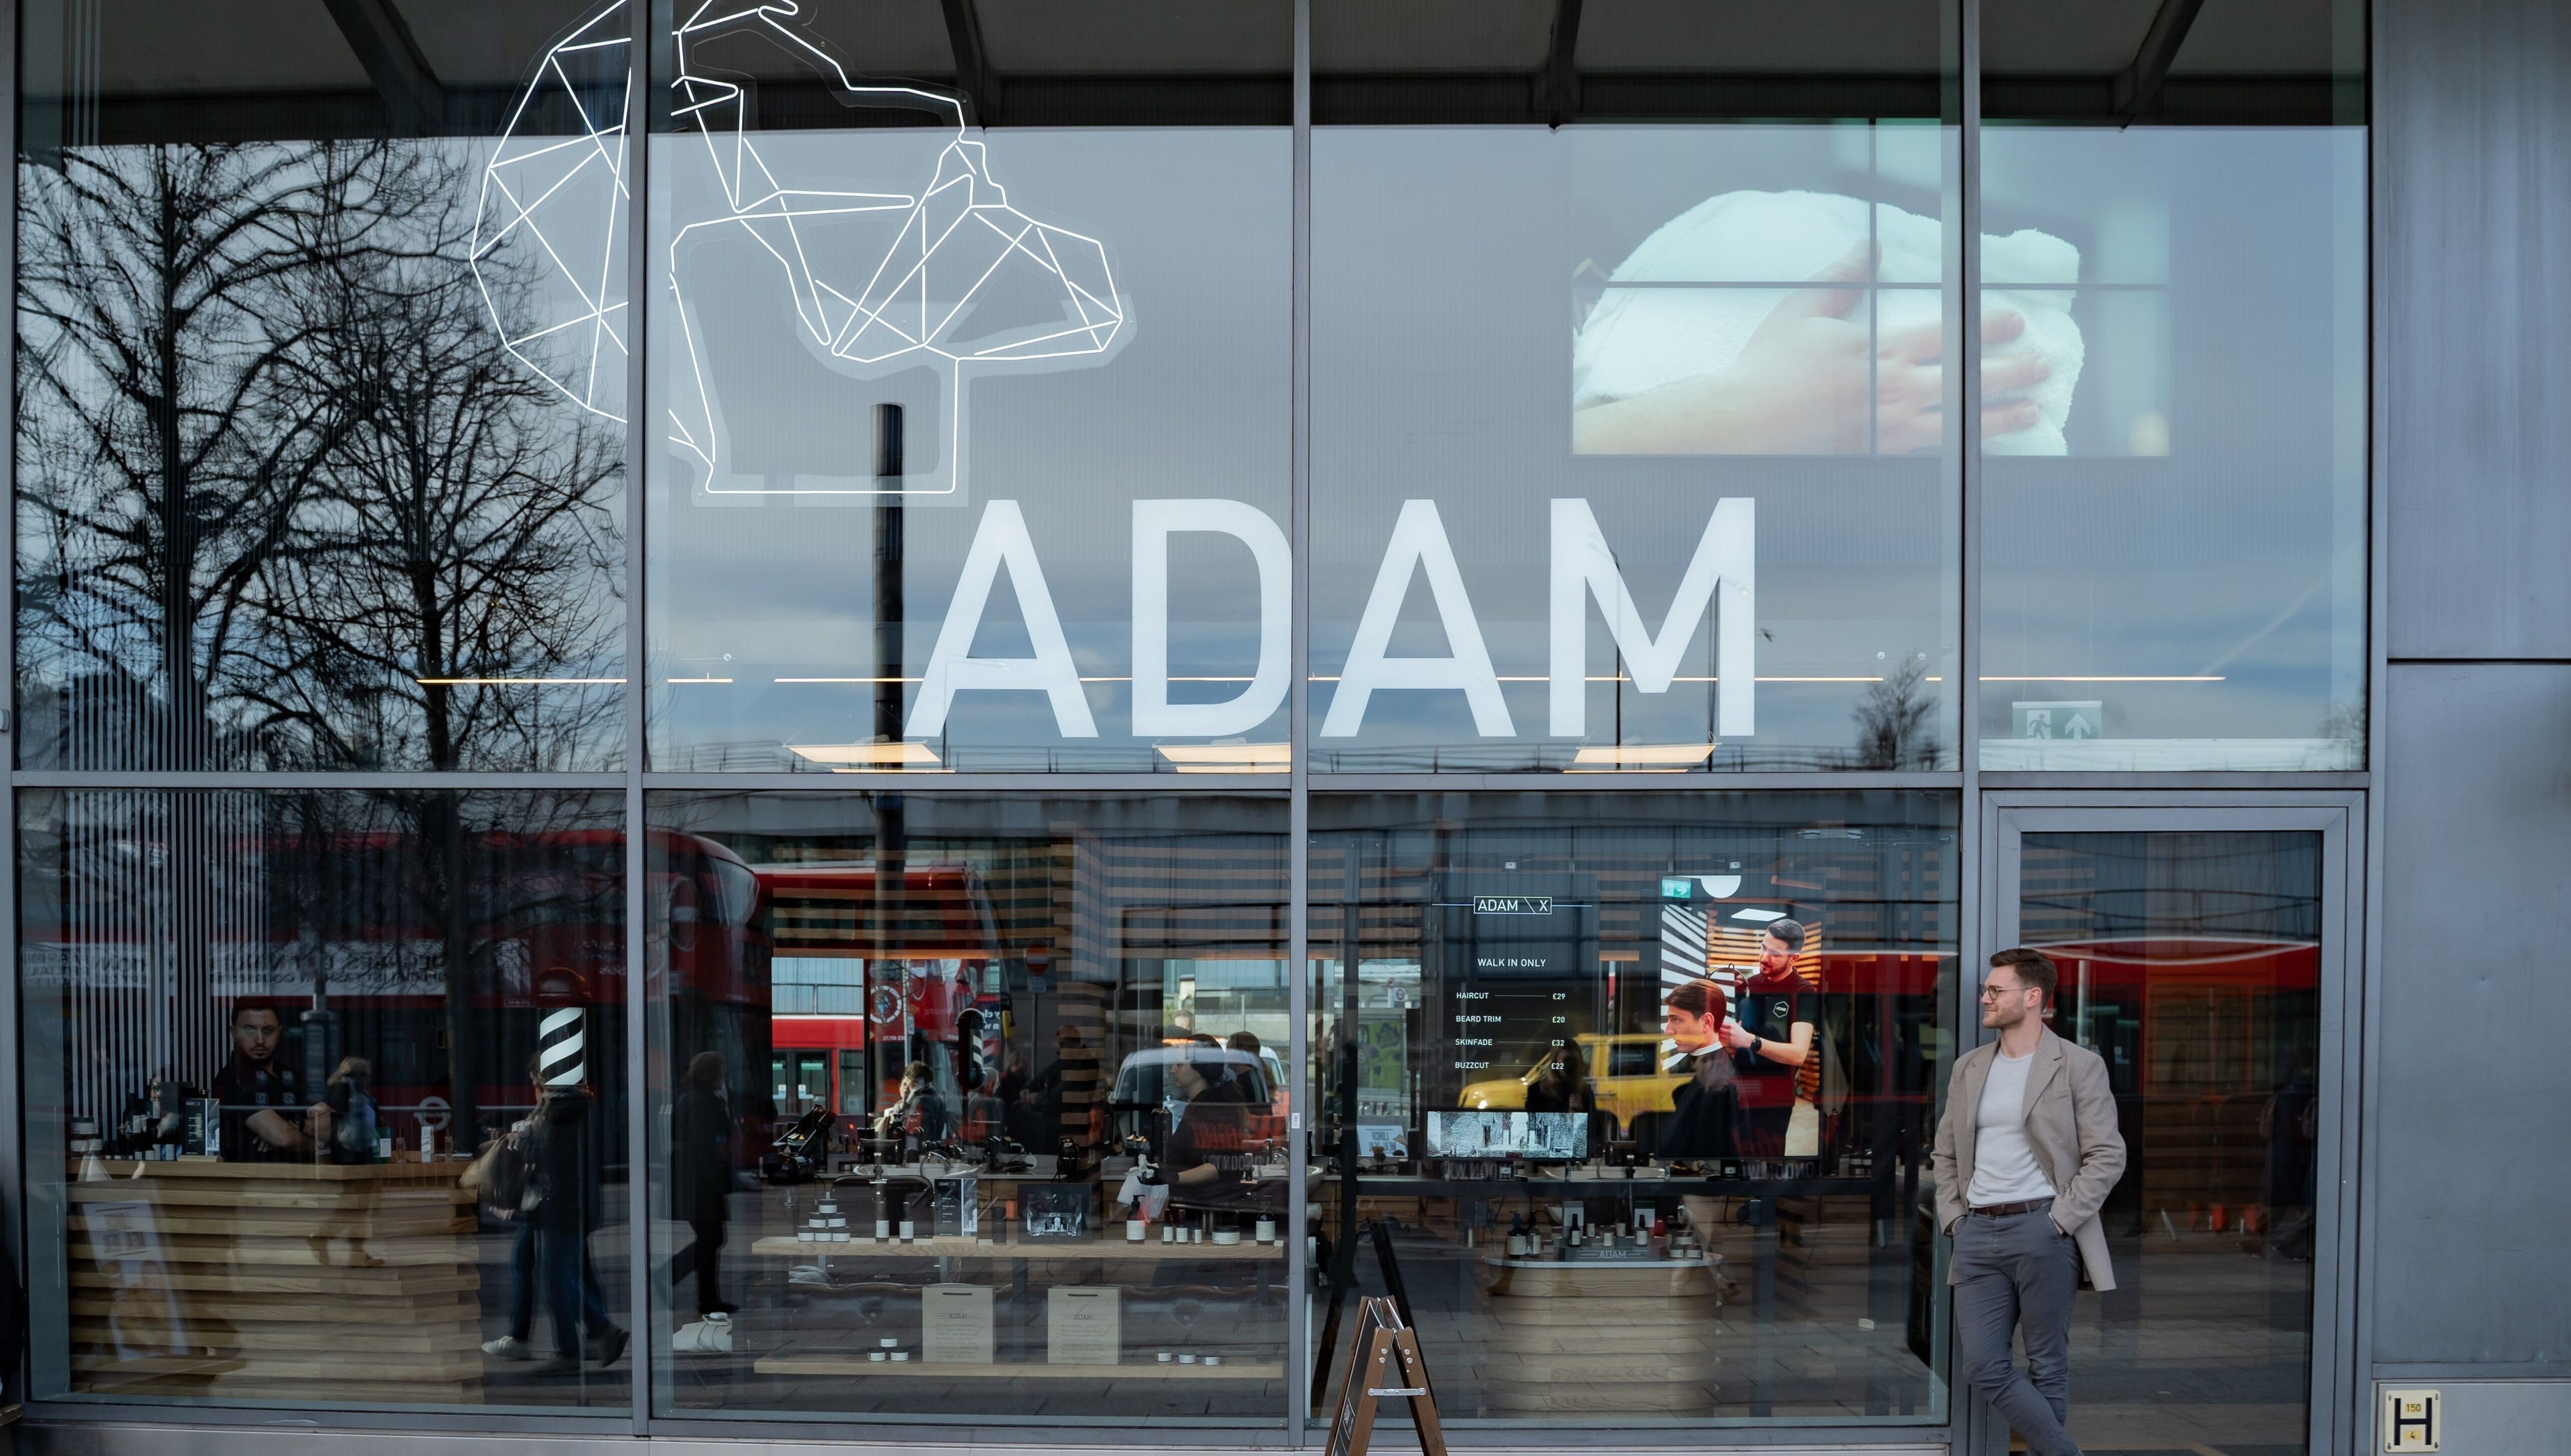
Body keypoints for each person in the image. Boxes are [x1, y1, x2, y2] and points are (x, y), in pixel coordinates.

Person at [1932, 948, 2128, 1456]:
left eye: (1995, 990)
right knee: (1982, 1364)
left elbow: (2107, 1155)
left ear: (2033, 997)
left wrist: (2060, 1220)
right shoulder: (1970, 1067)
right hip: (1976, 1233)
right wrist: (1955, 1218)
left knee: (2047, 1362)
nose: (1985, 997)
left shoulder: (2078, 1065)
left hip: (2042, 1227)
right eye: (1986, 989)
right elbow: (1945, 1150)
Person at [512, 1056, 629, 1375]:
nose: (534, 1083)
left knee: (555, 1279)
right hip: (573, 1205)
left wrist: (520, 1142)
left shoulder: (560, 1109)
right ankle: (594, 1333)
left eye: (536, 1076)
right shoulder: (577, 1106)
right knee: (563, 1275)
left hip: (560, 1207)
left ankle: (586, 1339)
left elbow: (548, 1156)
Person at [1722, 920, 1818, 1157]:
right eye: (1763, 947)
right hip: (1739, 1093)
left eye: (1775, 953)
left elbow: (1798, 1054)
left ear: (1794, 958)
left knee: (1767, 1169)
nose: (1765, 957)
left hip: (1773, 1099)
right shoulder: (1750, 986)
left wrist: (1751, 1041)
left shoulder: (1804, 992)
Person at [211, 1002, 331, 1161]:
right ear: (234, 1032)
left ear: (279, 1032)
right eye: (249, 1030)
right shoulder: (232, 1078)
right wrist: (321, 1147)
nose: (260, 1040)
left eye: (268, 1031)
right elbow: (284, 1138)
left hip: (301, 1180)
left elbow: (332, 1123)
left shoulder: (289, 1075)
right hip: (257, 1182)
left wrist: (298, 1124)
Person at [669, 1052, 736, 1319]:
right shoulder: (704, 1102)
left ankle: (708, 1299)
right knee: (712, 1238)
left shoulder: (691, 1098)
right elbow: (711, 1143)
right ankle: (673, 1282)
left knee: (711, 1238)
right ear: (712, 1074)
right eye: (722, 1071)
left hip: (695, 1180)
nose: (725, 1077)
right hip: (703, 1182)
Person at [874, 1060, 952, 1143]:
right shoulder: (934, 1097)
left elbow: (910, 1128)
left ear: (915, 1082)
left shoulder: (921, 1100)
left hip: (918, 1149)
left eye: (908, 1081)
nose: (905, 1087)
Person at [1523, 1036, 1595, 1116]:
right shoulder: (1537, 1091)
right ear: (1555, 1061)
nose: (1571, 1065)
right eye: (1566, 1060)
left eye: (1574, 1060)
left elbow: (1596, 1126)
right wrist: (1568, 1117)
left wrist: (1582, 1112)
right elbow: (1535, 1125)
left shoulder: (1585, 1091)